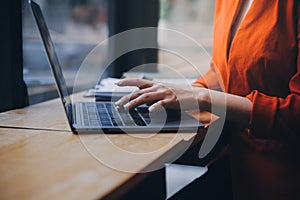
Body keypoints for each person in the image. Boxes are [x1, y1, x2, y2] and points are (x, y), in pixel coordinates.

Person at [115, 0, 300, 199]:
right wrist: (188, 92)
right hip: (234, 164)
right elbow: (222, 69)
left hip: (277, 178)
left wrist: (202, 97)